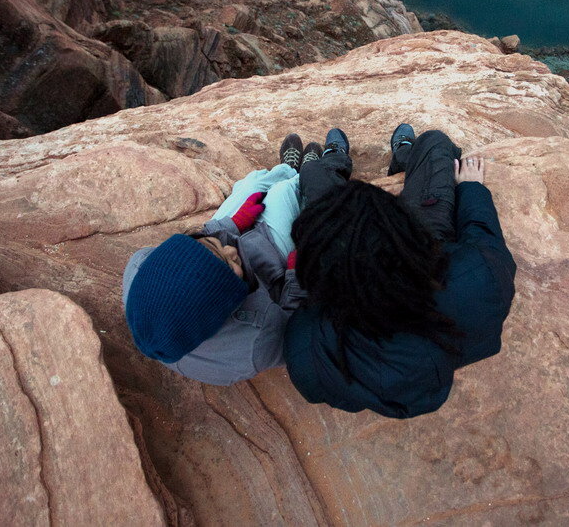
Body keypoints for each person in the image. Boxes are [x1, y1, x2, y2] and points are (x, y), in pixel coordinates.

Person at [283, 124, 517, 418]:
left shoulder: (306, 354)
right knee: (434, 141)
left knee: (312, 174)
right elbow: (484, 238)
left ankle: (334, 161)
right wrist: (472, 189)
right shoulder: (481, 281)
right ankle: (404, 156)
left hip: (365, 267)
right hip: (428, 250)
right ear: (407, 226)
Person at [122, 133, 323, 385]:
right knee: (284, 193)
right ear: (223, 304)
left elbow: (204, 248)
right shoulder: (255, 343)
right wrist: (297, 277)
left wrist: (230, 225)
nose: (231, 251)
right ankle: (305, 175)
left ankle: (287, 168)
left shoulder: (139, 265)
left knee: (252, 183)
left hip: (224, 253)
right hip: (268, 265)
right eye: (231, 264)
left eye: (213, 247)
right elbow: (295, 325)